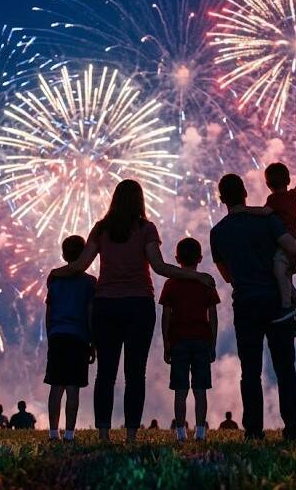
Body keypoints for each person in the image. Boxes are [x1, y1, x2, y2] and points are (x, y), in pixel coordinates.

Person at [50, 179, 214, 443]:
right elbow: (160, 267)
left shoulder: (101, 229)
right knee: (135, 374)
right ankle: (130, 435)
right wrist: (195, 276)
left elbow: (80, 265)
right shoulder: (146, 229)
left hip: (106, 305)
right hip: (139, 305)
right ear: (140, 201)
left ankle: (104, 434)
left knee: (105, 373)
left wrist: (56, 272)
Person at [210, 174, 296, 442]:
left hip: (245, 303)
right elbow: (292, 249)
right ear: (245, 193)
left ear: (222, 199)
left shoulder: (218, 232)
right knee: (285, 367)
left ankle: (253, 429)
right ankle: (291, 427)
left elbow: (227, 276)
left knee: (250, 371)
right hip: (275, 301)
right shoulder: (267, 219)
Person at [161, 237, 220, 442]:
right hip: (202, 339)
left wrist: (166, 343)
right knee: (200, 389)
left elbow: (166, 316)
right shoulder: (206, 282)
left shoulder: (170, 283)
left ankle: (180, 433)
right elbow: (213, 316)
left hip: (178, 340)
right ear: (200, 258)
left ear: (177, 259)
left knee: (180, 389)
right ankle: (200, 432)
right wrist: (213, 343)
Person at [242, 163, 296, 336]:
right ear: (287, 180)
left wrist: (244, 210)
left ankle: (286, 308)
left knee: (278, 271)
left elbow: (265, 212)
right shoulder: (293, 195)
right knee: (287, 281)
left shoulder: (273, 199)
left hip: (286, 243)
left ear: (268, 185)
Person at [45, 235, 97, 441]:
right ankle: (69, 434)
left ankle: (53, 432)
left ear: (64, 254)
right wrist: (93, 342)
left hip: (58, 335)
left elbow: (49, 313)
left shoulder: (55, 280)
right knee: (73, 387)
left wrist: (50, 336)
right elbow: (91, 314)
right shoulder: (90, 282)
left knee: (56, 386)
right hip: (79, 338)